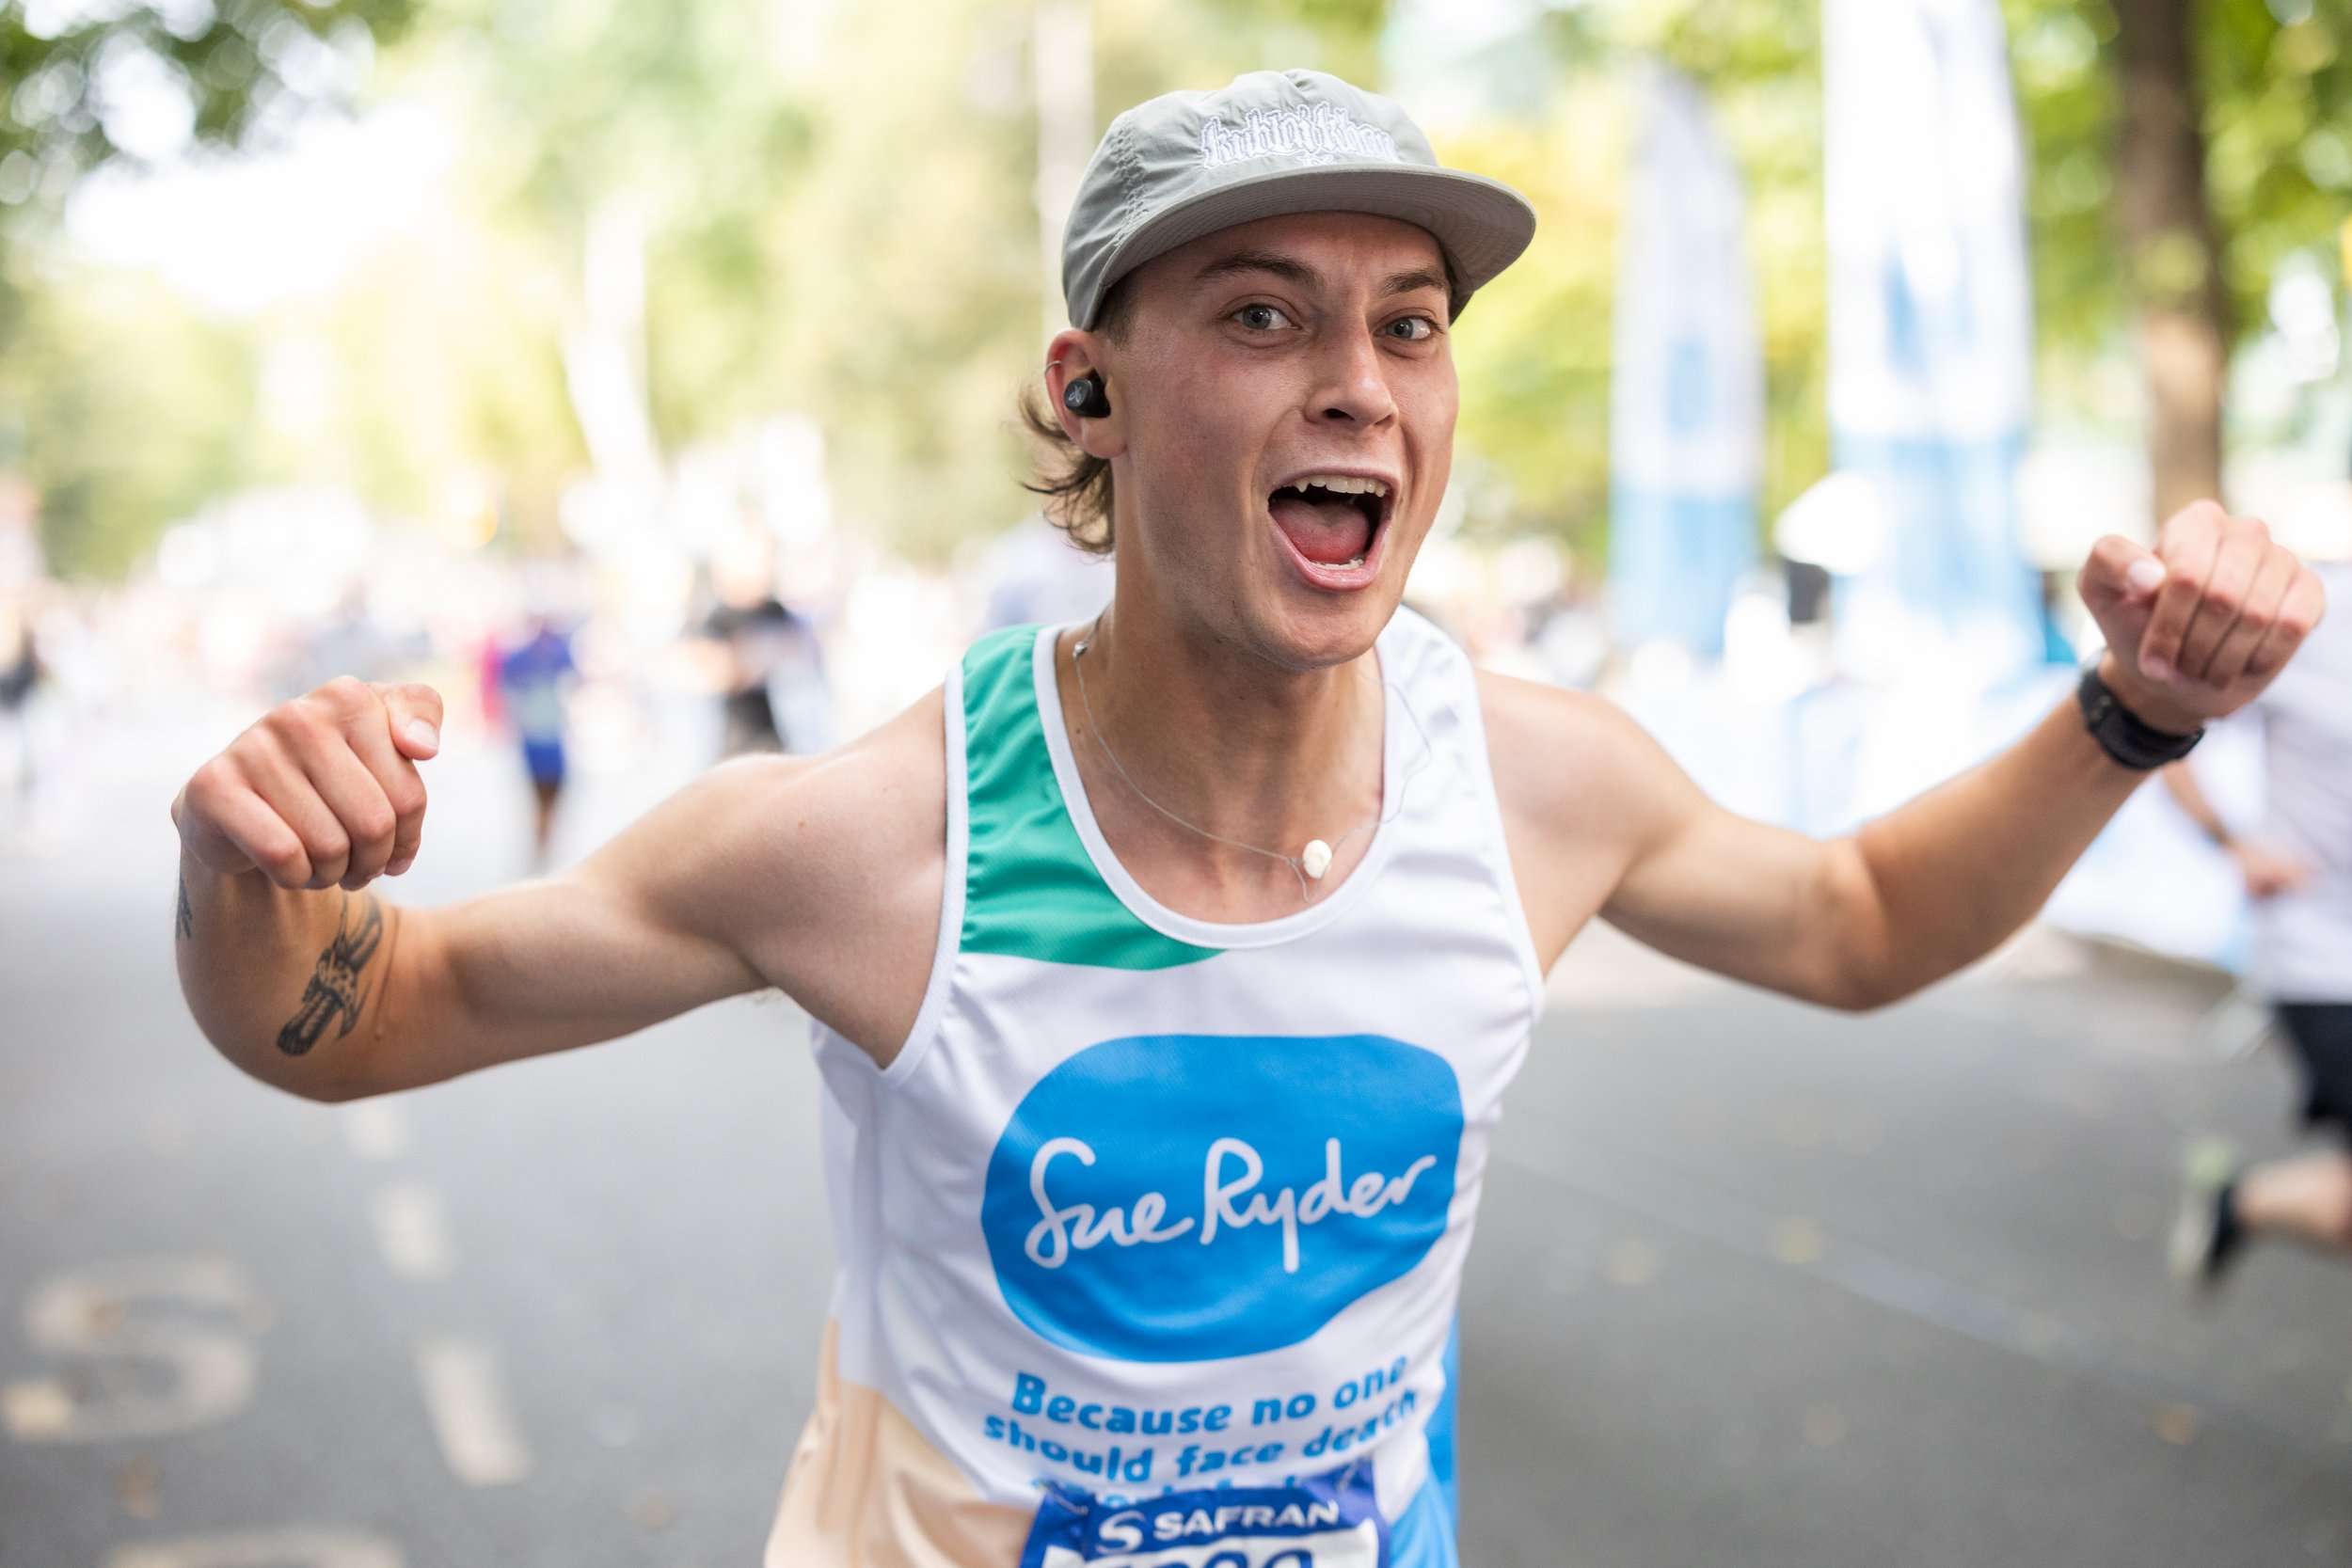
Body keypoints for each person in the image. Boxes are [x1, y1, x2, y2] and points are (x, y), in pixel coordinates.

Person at [167, 71, 2324, 1568]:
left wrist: (2126, 717)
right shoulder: (871, 839)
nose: (1359, 383)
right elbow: (360, 1018)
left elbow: (1859, 919)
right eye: (1263, 313)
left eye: (1408, 326)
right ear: (1087, 390)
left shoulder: (1538, 785)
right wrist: (249, 868)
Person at [2163, 556, 2352, 1288]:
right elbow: (2160, 711)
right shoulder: (2309, 613)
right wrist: (2232, 841)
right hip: (2324, 956)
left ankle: (2242, 1204)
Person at [496, 614, 577, 867]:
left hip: (550, 737)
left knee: (551, 796)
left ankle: (543, 847)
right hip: (536, 738)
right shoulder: (523, 656)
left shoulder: (557, 653)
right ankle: (541, 848)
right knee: (541, 798)